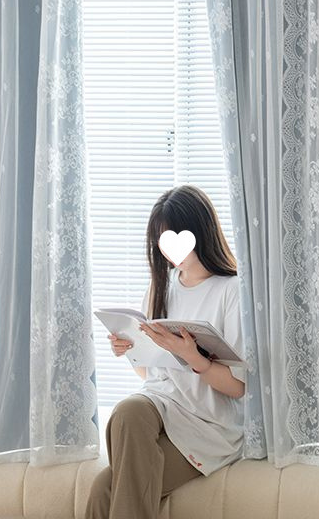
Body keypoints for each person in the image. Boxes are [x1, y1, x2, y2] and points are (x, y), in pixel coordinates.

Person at [85, 184, 246, 519]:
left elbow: (237, 387)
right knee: (129, 411)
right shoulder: (161, 286)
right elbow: (152, 374)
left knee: (104, 489)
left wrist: (193, 356)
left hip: (207, 427)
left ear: (201, 233)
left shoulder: (230, 290)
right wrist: (131, 349)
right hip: (162, 407)